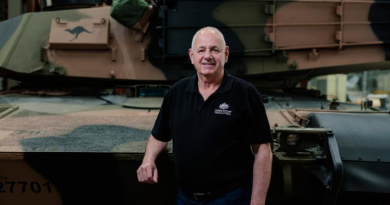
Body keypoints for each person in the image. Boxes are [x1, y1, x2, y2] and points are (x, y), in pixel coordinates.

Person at [137, 27, 273, 205]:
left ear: (225, 54)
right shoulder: (177, 92)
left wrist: (257, 202)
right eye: (201, 50)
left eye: (214, 50)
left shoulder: (244, 93)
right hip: (186, 198)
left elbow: (263, 149)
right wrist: (148, 159)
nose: (207, 56)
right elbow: (159, 135)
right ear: (192, 55)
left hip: (231, 197)